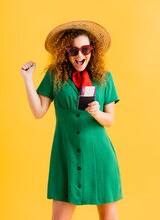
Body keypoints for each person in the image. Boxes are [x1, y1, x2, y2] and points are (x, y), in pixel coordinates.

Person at [20, 20, 123, 220]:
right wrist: (27, 79)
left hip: (100, 157)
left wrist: (97, 113)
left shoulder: (105, 78)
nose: (80, 55)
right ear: (64, 52)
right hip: (65, 156)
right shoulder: (54, 77)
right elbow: (38, 112)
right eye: (73, 50)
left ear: (93, 51)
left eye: (85, 49)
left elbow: (110, 120)